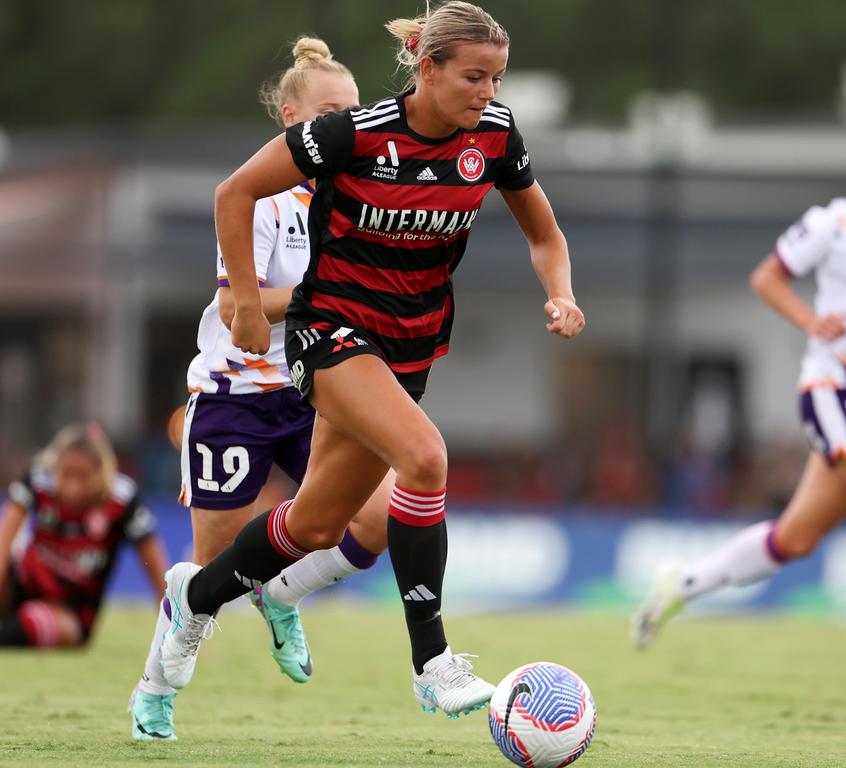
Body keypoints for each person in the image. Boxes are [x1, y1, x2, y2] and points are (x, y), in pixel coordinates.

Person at [152, 0, 584, 720]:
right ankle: (433, 663)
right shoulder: (351, 134)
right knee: (426, 458)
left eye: (497, 78)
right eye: (474, 77)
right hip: (331, 331)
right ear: (428, 68)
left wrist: (561, 294)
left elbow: (545, 234)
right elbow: (236, 191)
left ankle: (194, 598)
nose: (488, 93)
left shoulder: (498, 138)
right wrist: (252, 306)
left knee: (316, 525)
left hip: (411, 344)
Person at [633, 110, 846, 702]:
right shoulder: (840, 221)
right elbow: (768, 277)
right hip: (836, 389)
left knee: (793, 540)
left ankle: (680, 584)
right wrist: (811, 321)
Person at [129, 37, 389, 741]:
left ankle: (283, 595)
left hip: (316, 387)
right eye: (330, 111)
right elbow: (244, 307)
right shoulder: (262, 194)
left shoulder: (361, 196)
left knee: (383, 516)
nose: (344, 124)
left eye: (353, 112)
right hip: (237, 391)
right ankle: (155, 688)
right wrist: (324, 293)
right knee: (209, 571)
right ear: (290, 116)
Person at [0, 423, 167, 647]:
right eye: (66, 475)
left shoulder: (122, 501)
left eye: (83, 477)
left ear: (101, 472)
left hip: (73, 613)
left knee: (32, 621)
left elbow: (158, 574)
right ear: (55, 466)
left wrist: (174, 635)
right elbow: (4, 543)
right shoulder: (38, 481)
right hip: (22, 587)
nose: (73, 488)